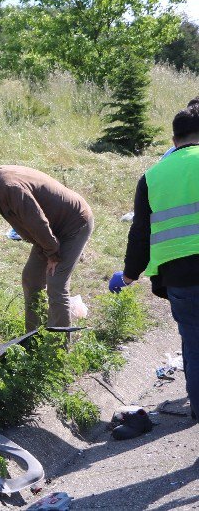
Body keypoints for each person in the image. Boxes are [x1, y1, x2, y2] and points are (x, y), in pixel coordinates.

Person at [119, 104, 199, 422]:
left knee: (193, 345)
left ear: (174, 138)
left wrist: (129, 274)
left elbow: (140, 233)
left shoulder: (152, 176)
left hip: (180, 277)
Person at [0, 161, 93, 331]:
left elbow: (37, 222)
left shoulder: (9, 187)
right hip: (50, 230)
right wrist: (48, 248)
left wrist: (53, 254)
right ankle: (34, 337)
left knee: (56, 284)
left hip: (73, 224)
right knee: (31, 278)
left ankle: (58, 347)